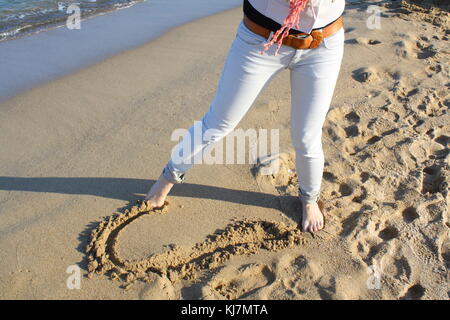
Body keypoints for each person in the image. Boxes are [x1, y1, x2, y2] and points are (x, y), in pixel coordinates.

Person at [144, 0, 345, 233]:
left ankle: (309, 199)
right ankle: (166, 181)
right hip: (259, 41)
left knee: (307, 136)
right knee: (217, 124)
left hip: (323, 45)